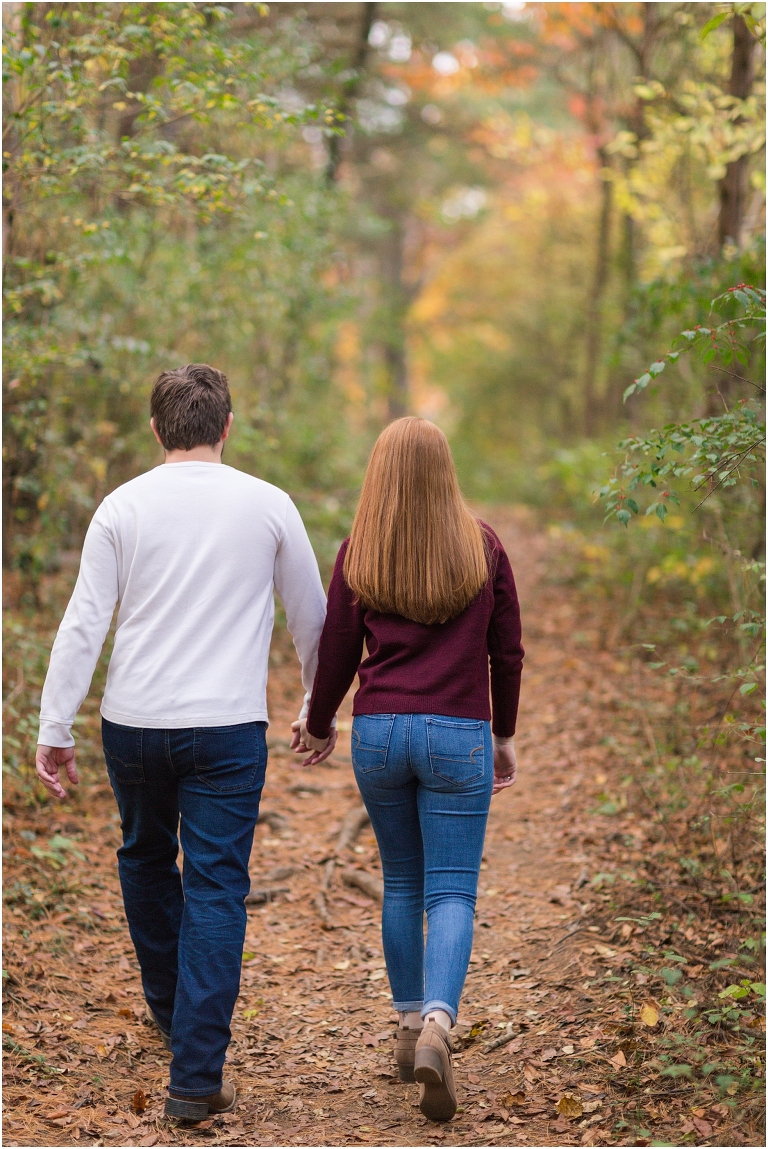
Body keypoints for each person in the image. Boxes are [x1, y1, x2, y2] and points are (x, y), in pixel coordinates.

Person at [35, 364, 335, 1121]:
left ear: (155, 428)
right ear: (227, 426)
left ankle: (176, 1014)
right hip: (227, 726)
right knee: (215, 886)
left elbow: (84, 621)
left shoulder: (121, 506)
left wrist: (55, 724)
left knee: (144, 857)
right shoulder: (269, 504)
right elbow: (313, 618)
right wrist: (316, 706)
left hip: (134, 723)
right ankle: (195, 1071)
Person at [293, 416, 524, 1122]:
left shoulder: (359, 551)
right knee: (451, 889)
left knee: (401, 880)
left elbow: (336, 650)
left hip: (381, 733)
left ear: (381, 475)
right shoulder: (483, 546)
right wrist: (503, 734)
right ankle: (436, 1026)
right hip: (458, 732)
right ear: (445, 472)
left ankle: (404, 1024)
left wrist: (320, 721)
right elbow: (507, 651)